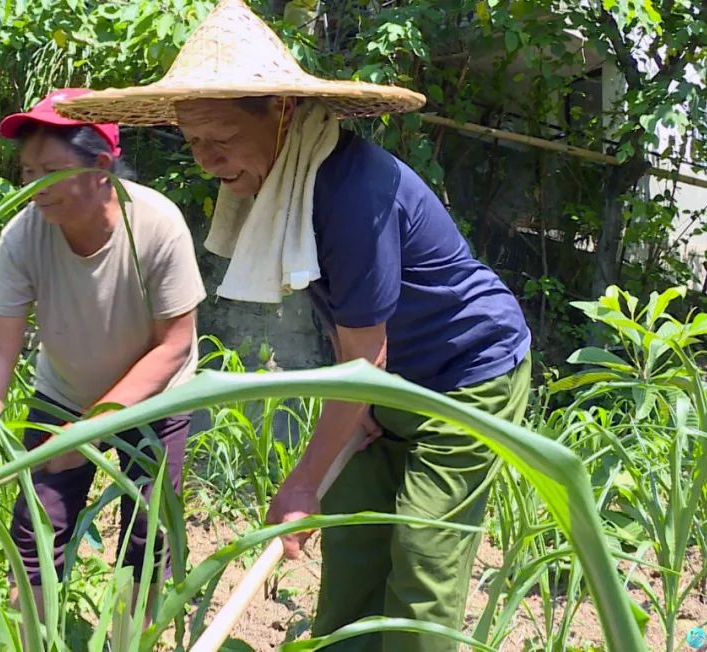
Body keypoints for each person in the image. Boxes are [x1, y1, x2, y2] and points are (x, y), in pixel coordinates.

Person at [59, 3, 532, 651]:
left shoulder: (350, 191)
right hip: (386, 376)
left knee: (423, 557)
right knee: (355, 544)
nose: (206, 161)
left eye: (220, 139)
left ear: (280, 112)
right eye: (194, 142)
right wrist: (354, 412)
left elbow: (365, 357)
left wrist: (304, 477)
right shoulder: (288, 181)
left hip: (466, 372)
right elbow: (347, 326)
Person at [0, 88, 207, 622]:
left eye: (48, 171)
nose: (33, 188)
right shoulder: (24, 236)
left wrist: (90, 429)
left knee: (148, 535)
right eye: (26, 172)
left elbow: (175, 343)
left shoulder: (157, 225)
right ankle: (35, 637)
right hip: (62, 395)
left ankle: (127, 639)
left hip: (155, 400)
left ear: (101, 168)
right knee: (37, 531)